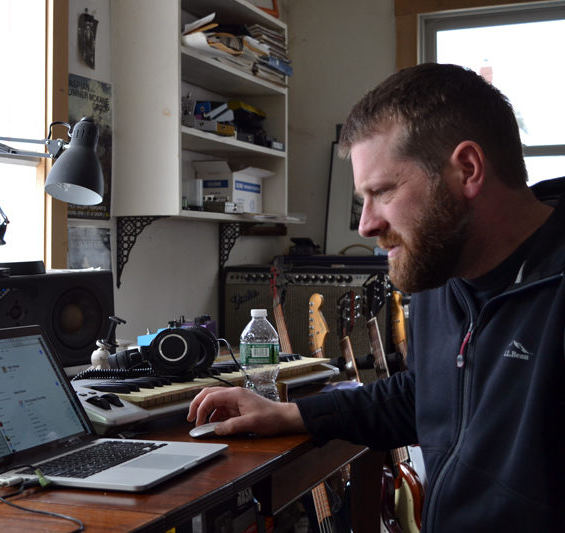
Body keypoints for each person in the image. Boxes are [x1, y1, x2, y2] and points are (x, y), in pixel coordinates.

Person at [188, 63, 565, 532]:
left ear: (467, 169)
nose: (366, 224)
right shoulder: (442, 275)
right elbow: (426, 395)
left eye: (382, 192)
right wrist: (290, 413)